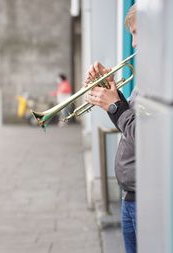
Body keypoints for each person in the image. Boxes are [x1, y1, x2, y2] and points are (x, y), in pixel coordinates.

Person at [84, 4, 137, 253]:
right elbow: (131, 127)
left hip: (147, 201)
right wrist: (111, 92)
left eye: (137, 34)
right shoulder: (147, 78)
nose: (134, 44)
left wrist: (115, 106)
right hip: (130, 196)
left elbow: (149, 137)